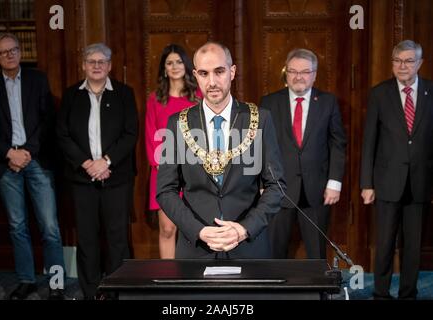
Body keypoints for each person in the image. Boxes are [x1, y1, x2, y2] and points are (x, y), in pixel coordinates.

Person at [156, 41, 285, 259]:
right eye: (204, 74)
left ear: (232, 72)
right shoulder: (177, 123)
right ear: (195, 75)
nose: (212, 82)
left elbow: (276, 185)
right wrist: (199, 231)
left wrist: (244, 229)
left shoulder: (260, 119)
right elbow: (165, 190)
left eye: (219, 71)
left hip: (249, 248)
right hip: (195, 249)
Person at [0, 33, 65, 300]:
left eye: (14, 49)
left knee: (50, 227)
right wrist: (9, 153)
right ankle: (26, 280)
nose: (10, 55)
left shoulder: (37, 79)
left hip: (36, 160)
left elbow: (47, 120)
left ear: (20, 52)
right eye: (4, 52)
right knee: (17, 226)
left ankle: (56, 283)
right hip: (6, 164)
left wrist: (27, 151)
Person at [56, 43, 138, 299]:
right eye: (91, 61)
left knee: (117, 237)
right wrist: (87, 163)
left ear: (110, 66)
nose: (96, 66)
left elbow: (130, 133)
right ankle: (91, 291)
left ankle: (116, 289)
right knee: (88, 237)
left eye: (102, 61)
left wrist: (106, 161)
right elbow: (63, 134)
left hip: (116, 177)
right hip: (82, 178)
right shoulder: (71, 95)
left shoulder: (124, 93)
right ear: (83, 65)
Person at [360, 40, 433, 300]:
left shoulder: (430, 92)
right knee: (385, 244)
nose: (403, 66)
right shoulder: (379, 93)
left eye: (409, 61)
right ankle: (381, 293)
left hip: (421, 183)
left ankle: (408, 293)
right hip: (387, 182)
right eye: (398, 61)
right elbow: (369, 142)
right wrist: (366, 184)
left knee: (412, 246)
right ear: (392, 64)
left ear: (419, 64)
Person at [260, 48, 347, 259]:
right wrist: (261, 184)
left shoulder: (328, 102)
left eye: (305, 72)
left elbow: (337, 144)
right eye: (293, 71)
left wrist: (334, 183)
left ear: (314, 74)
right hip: (278, 189)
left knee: (317, 252)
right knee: (274, 250)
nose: (298, 76)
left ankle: (317, 292)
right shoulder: (269, 103)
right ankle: (274, 291)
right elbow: (259, 146)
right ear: (286, 73)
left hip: (317, 190)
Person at [145, 44, 201, 259]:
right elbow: (152, 135)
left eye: (179, 62)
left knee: (193, 230)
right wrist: (162, 164)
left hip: (194, 172)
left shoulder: (198, 97)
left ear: (186, 66)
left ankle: (191, 282)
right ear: (164, 68)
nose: (175, 66)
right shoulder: (155, 99)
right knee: (167, 229)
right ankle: (168, 281)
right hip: (164, 172)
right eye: (169, 63)